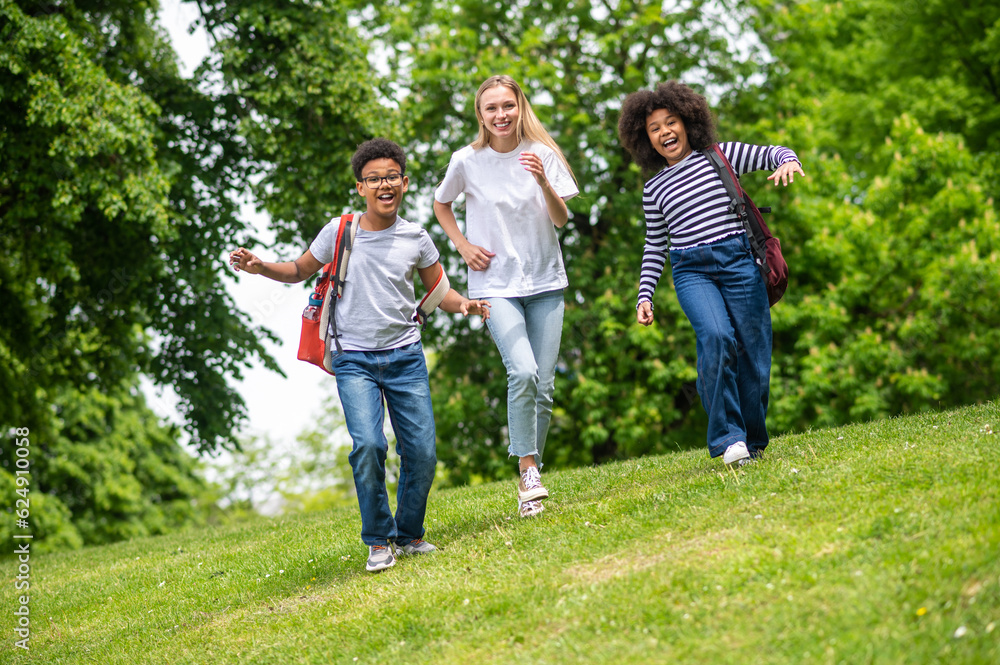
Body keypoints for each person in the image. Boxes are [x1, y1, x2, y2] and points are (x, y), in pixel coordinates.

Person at [228, 138, 490, 572]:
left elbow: (438, 290)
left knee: (421, 452)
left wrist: (465, 304)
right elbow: (297, 271)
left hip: (405, 356)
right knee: (368, 445)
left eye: (391, 177)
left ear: (404, 184)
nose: (383, 184)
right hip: (354, 359)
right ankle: (378, 540)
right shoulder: (340, 230)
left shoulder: (416, 238)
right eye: (374, 179)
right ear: (360, 187)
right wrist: (261, 267)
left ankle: (408, 534)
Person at [617, 81, 804, 467]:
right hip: (691, 271)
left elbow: (774, 152)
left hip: (739, 262)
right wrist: (644, 294)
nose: (665, 131)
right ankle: (727, 439)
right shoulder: (653, 189)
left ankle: (752, 442)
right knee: (716, 337)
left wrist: (789, 161)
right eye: (655, 128)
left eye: (672, 122)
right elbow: (656, 244)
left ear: (687, 122)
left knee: (755, 355)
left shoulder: (721, 155)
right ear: (645, 139)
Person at [433, 75, 578, 518]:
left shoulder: (544, 154)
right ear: (480, 115)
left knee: (546, 386)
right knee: (524, 371)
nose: (501, 115)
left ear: (520, 107)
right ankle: (529, 469)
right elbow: (442, 204)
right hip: (495, 285)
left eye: (508, 106)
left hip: (546, 281)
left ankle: (529, 481)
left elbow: (561, 220)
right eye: (491, 108)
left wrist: (544, 183)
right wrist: (462, 245)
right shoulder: (466, 161)